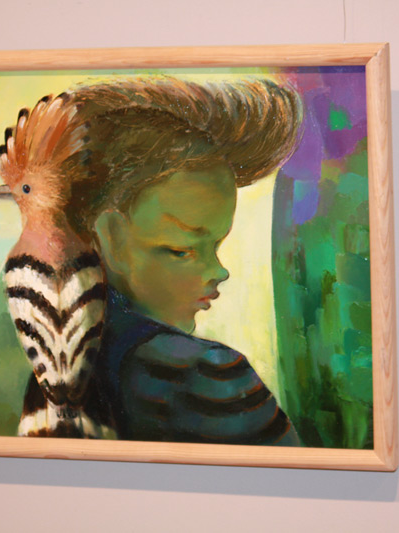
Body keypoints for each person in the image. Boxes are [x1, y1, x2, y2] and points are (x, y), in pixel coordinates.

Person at [70, 77, 303, 445]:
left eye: (216, 245)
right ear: (111, 238)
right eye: (182, 250)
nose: (219, 271)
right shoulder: (207, 375)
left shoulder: (61, 367)